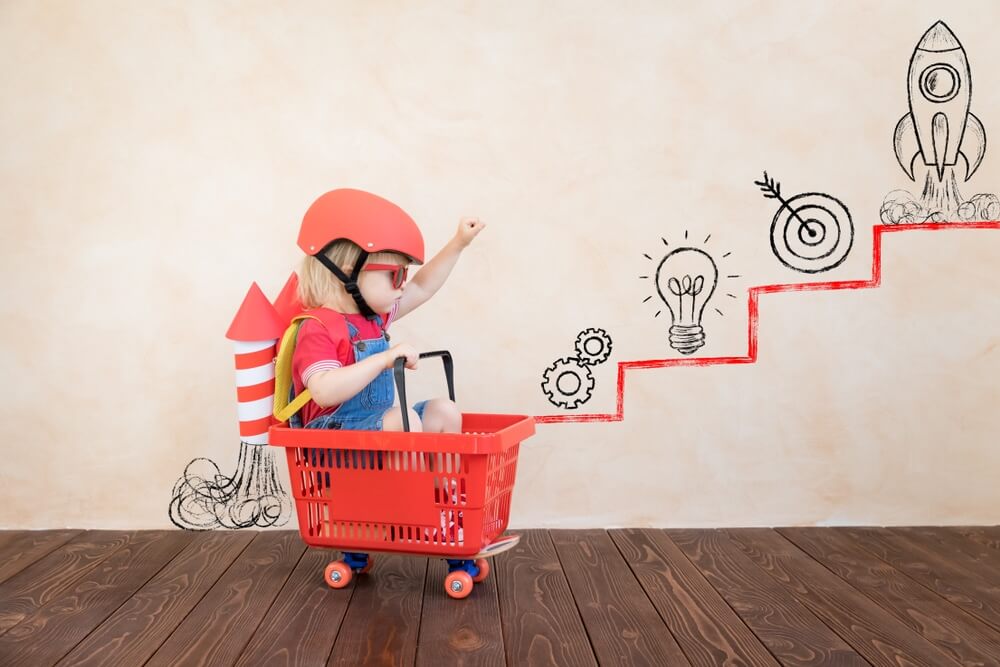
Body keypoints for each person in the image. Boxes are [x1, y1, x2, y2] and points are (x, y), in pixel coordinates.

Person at [291, 188, 485, 433]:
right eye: (396, 275)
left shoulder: (374, 319)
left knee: (443, 410)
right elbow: (323, 391)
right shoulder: (317, 328)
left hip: (374, 431)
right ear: (349, 274)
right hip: (331, 444)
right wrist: (383, 359)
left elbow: (422, 286)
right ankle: (412, 473)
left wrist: (458, 244)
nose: (404, 283)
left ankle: (440, 474)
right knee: (404, 421)